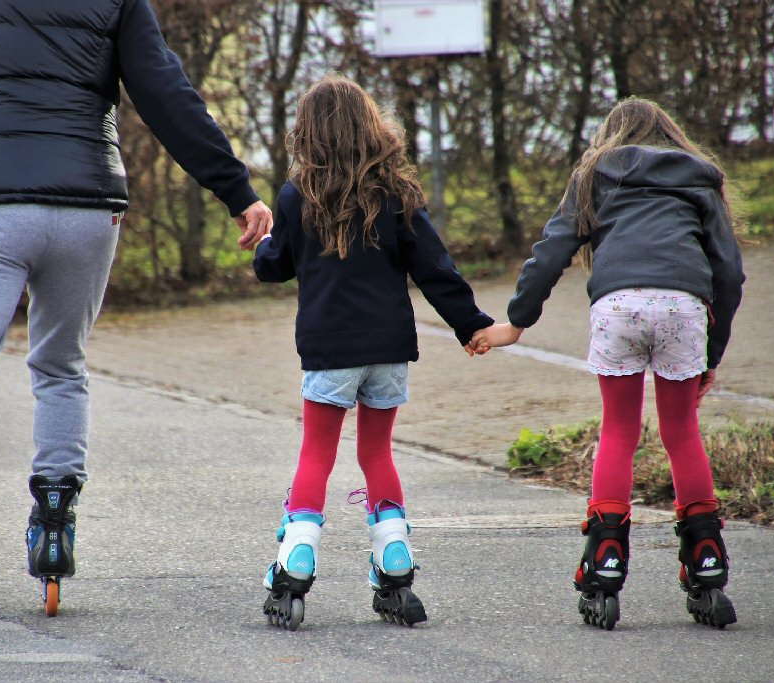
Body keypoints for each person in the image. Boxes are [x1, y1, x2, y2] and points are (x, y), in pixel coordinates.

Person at [0, 0, 273, 628]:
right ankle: (54, 525)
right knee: (61, 364)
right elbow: (164, 90)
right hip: (89, 209)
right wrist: (234, 189)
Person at [472, 97, 744, 630]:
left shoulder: (595, 173)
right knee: (682, 432)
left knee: (618, 430)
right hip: (683, 308)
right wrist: (714, 351)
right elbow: (729, 274)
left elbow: (550, 251)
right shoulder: (699, 178)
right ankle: (706, 560)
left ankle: (605, 561)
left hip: (616, 306)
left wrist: (517, 321)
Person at [253, 75, 495, 630]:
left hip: (329, 348)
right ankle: (394, 558)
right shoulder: (397, 195)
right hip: (388, 350)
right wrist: (471, 326)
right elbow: (434, 268)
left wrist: (264, 243)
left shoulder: (298, 195)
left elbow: (275, 266)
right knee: (376, 454)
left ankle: (296, 560)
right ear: (371, 126)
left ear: (307, 133)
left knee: (317, 453)